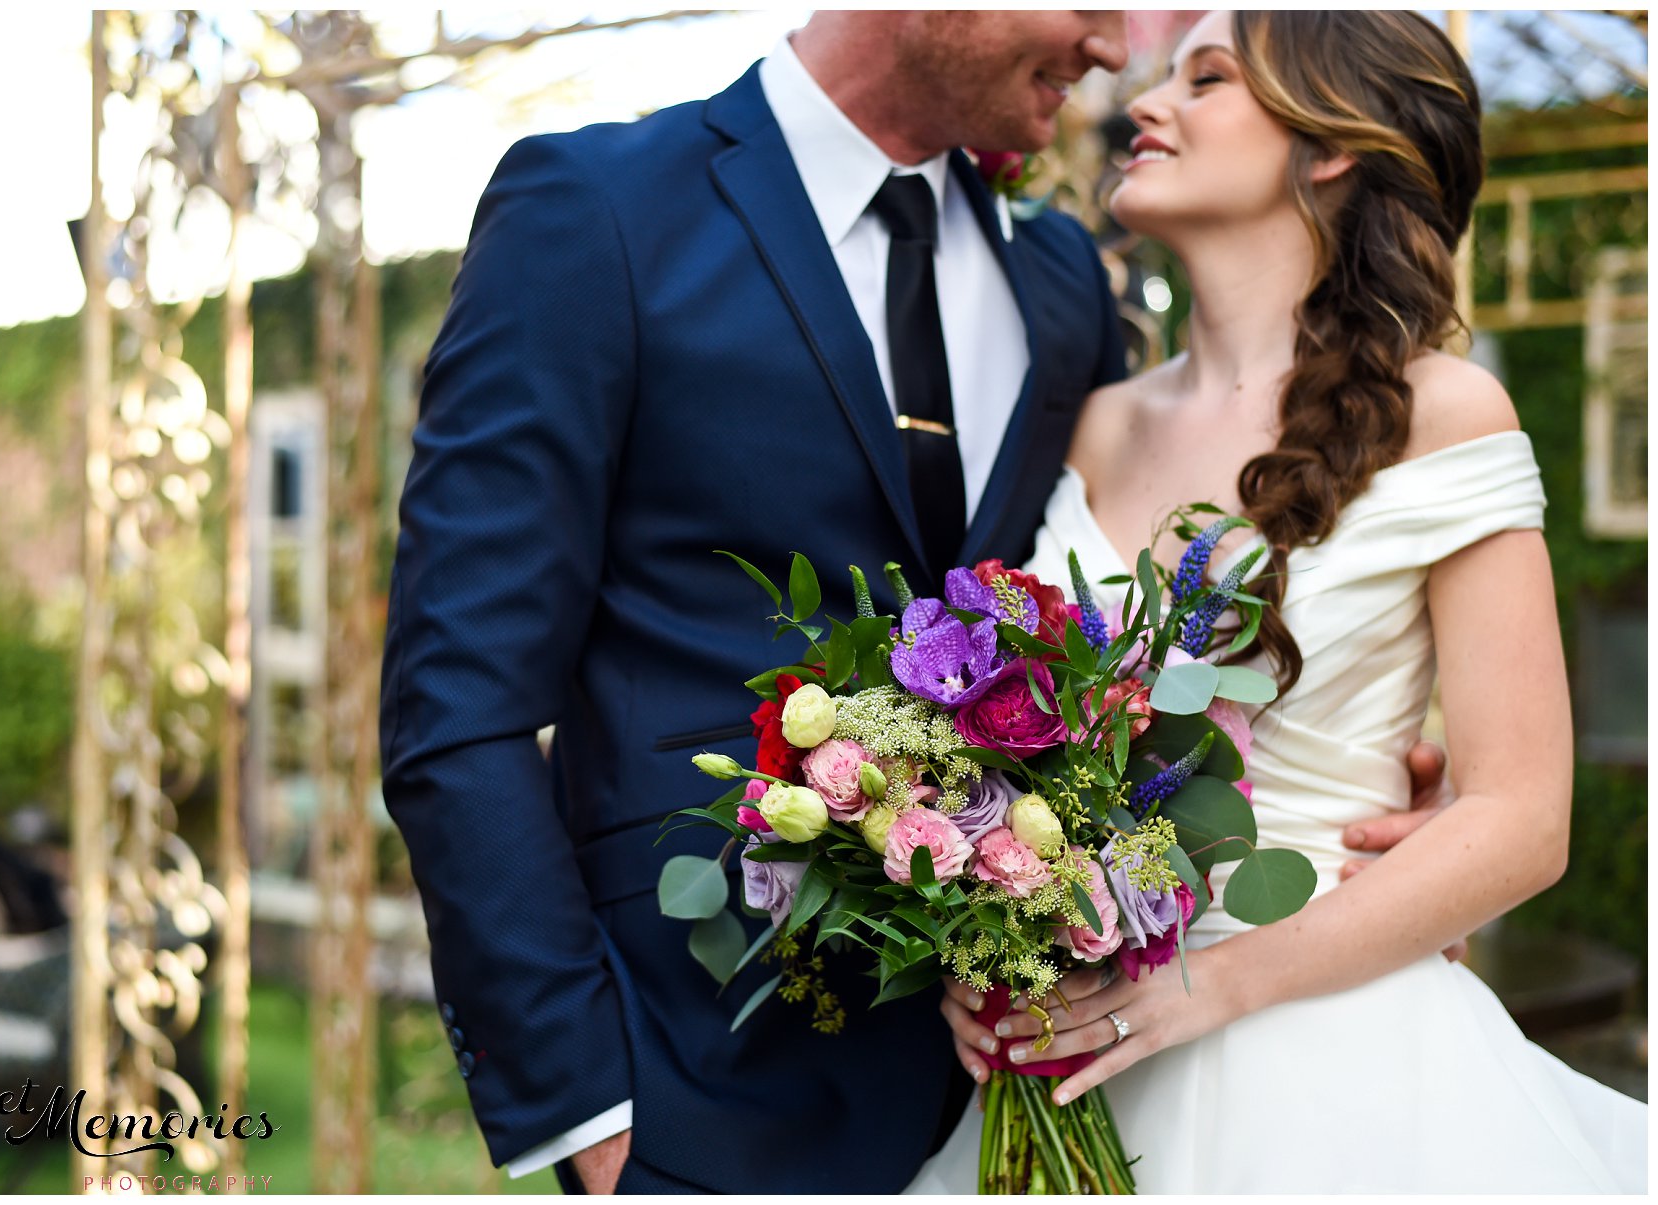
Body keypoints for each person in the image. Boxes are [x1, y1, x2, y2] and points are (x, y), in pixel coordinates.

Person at [381, 11, 1449, 1194]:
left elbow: (1104, 633)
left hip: (1035, 1081)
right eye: (1091, 5)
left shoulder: (1060, 289)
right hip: (698, 1080)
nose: (1109, 52)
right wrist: (583, 1098)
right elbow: (457, 697)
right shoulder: (599, 212)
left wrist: (1367, 774)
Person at [923, 11, 1647, 1193]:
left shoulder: (1449, 413)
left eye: (1204, 79)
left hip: (1335, 1055)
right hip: (1066, 1064)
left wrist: (1211, 985)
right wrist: (987, 944)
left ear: (1330, 147)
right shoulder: (1096, 423)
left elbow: (1523, 813)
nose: (1142, 106)